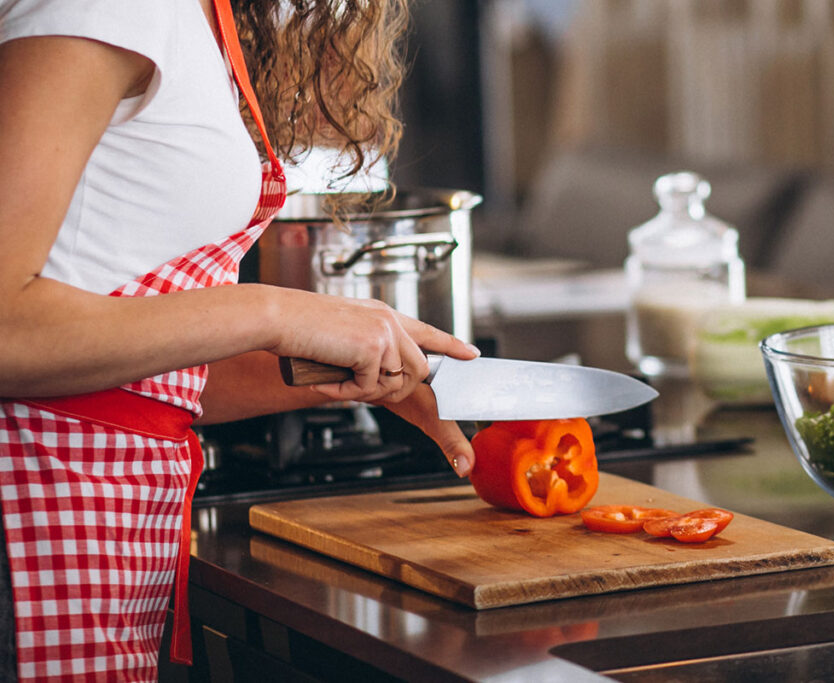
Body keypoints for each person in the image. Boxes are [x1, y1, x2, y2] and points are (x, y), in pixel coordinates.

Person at [0, 0, 480, 679]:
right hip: (28, 514)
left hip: (103, 526)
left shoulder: (199, 17)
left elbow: (150, 372)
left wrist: (342, 378)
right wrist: (275, 313)